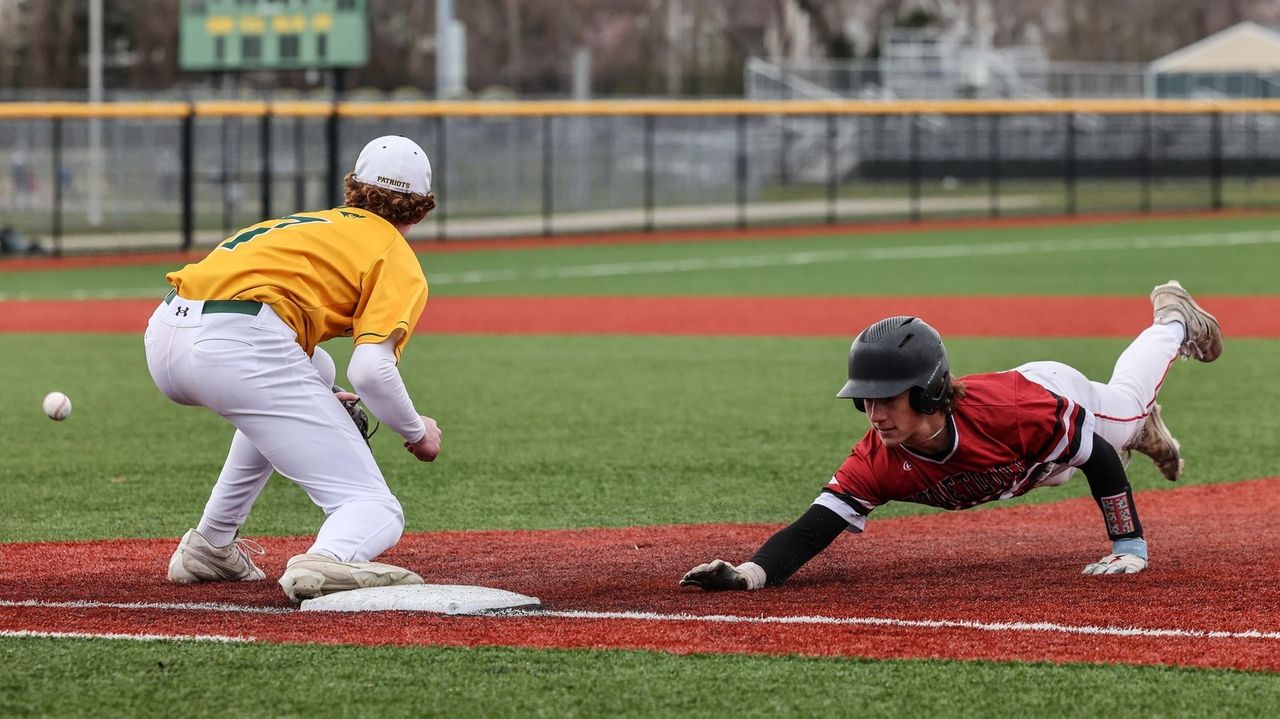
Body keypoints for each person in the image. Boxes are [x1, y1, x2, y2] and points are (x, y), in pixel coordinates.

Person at [681, 281, 1222, 590]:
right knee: (1060, 466)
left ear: (927, 393)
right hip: (1033, 464)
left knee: (1122, 411)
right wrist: (748, 574)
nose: (873, 412)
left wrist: (1129, 547)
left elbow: (1097, 457)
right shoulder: (877, 459)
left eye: (887, 396)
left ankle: (1172, 319)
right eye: (864, 398)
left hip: (1057, 398)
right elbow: (808, 532)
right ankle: (1143, 428)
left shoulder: (1016, 413)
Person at [144, 135, 443, 602]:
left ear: (352, 190)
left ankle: (212, 544)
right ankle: (330, 557)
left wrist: (315, 393)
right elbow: (372, 371)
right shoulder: (395, 255)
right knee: (375, 507)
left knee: (318, 368)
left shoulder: (308, 223)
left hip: (165, 329)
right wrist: (416, 431)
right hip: (240, 347)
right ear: (421, 211)